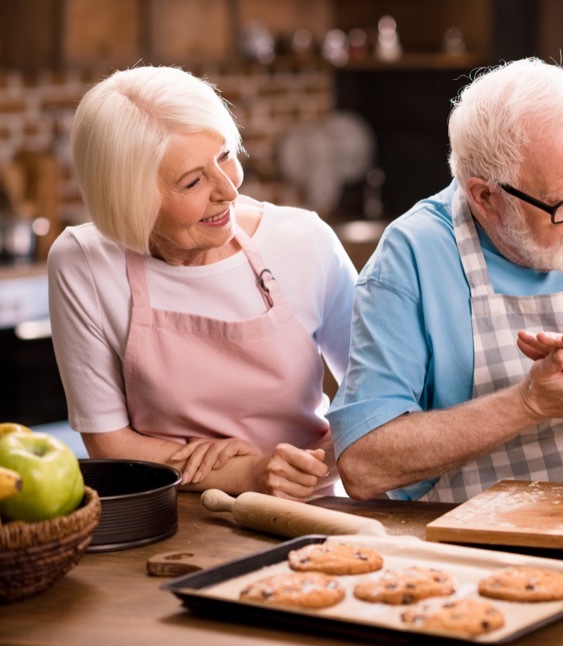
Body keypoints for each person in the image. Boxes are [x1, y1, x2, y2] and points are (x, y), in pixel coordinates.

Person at [328, 58, 563, 503]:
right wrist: (527, 404)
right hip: (479, 560)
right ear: (486, 198)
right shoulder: (413, 257)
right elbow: (362, 464)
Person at [48, 65, 357, 499]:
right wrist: (245, 473)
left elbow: (378, 398)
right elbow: (108, 443)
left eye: (226, 155)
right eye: (192, 181)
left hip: (307, 510)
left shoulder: (304, 241)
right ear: (131, 200)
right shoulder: (83, 263)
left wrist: (304, 467)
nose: (228, 190)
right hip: (168, 517)